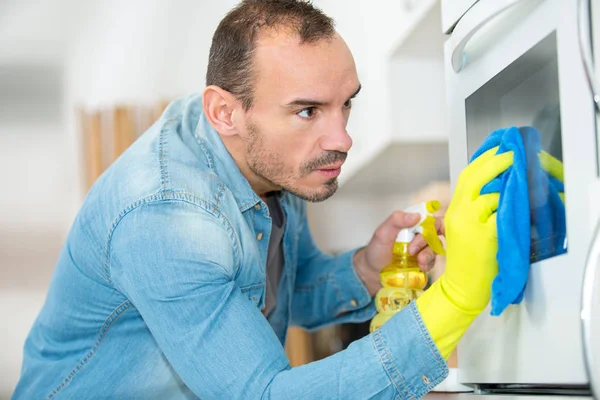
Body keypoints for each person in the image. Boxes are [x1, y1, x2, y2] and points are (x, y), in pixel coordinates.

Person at [13, 0, 513, 398]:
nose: (341, 139)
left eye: (346, 104)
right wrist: (455, 300)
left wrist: (363, 268)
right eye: (307, 111)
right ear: (224, 112)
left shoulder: (261, 157)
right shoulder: (167, 218)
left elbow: (274, 294)